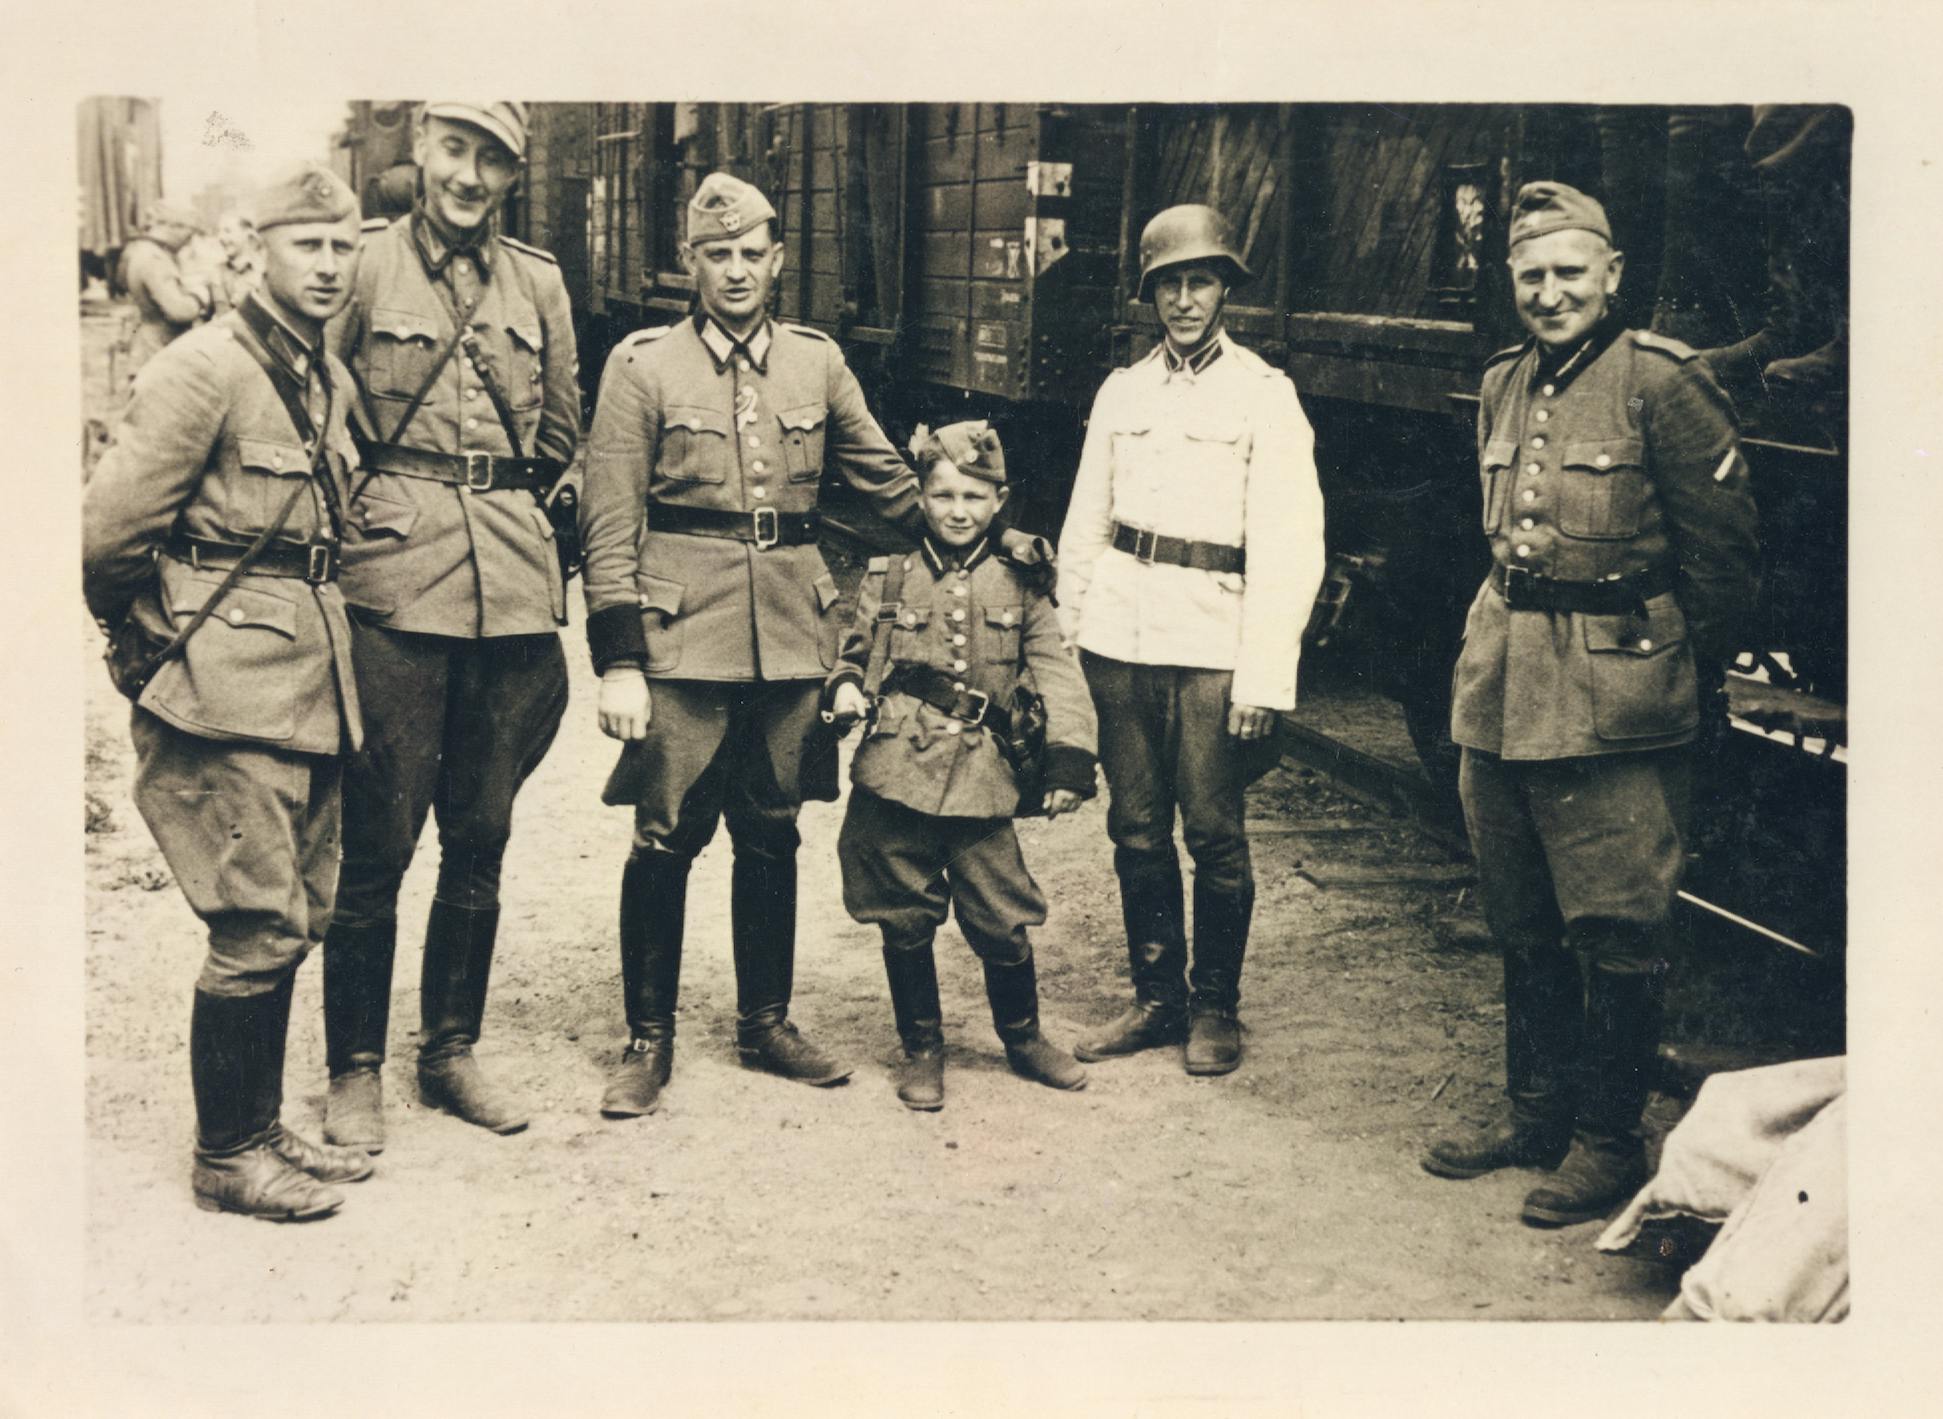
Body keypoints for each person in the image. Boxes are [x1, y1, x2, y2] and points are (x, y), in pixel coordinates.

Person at [580, 172, 1049, 1118]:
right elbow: (608, 519)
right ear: (691, 263)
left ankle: (765, 1022)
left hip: (792, 634)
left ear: (778, 259)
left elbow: (888, 482)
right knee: (665, 835)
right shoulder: (641, 366)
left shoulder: (816, 363)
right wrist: (621, 656)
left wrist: (993, 541)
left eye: (753, 253)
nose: (738, 270)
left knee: (772, 830)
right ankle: (648, 1039)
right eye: (718, 254)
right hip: (681, 638)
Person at [1421, 182, 1760, 1227]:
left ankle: (1605, 1140)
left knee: (1614, 924)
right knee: (1520, 917)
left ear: (1610, 274)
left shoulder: (1662, 383)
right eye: (1531, 276)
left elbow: (1723, 569)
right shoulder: (1501, 382)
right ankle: (1535, 1117)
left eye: (1570, 272)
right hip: (1502, 684)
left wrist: (1662, 679)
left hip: (1616, 696)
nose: (1550, 292)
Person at [83, 162, 372, 1220]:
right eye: (310, 245)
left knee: (291, 913)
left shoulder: (321, 374)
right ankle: (224, 1156)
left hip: (306, 683)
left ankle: (255, 1128)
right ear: (260, 248)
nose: (330, 266)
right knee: (252, 920)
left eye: (344, 247)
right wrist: (148, 650)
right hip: (221, 687)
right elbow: (107, 536)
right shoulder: (203, 368)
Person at [320, 101, 580, 1150]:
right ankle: (353, 1069)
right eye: (457, 151)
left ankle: (450, 1053)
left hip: (510, 599)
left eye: (494, 161)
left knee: (482, 835)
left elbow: (561, 425)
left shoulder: (540, 281)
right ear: (422, 149)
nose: (470, 177)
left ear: (514, 175)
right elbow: (320, 413)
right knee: (377, 845)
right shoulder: (366, 266)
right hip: (393, 589)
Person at [1056, 205, 1325, 1078]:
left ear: (1224, 290)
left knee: (1213, 831)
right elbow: (1085, 525)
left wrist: (1263, 679)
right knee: (1134, 828)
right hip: (1120, 638)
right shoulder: (1121, 391)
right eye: (1168, 282)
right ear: (1149, 293)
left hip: (1213, 643)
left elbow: (1291, 547)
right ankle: (1155, 999)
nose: (1183, 299)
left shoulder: (1263, 396)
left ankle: (1215, 1006)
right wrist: (1069, 641)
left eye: (1199, 280)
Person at [824, 421, 1097, 1110]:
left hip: (983, 773)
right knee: (902, 910)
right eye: (942, 494)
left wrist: (1069, 758)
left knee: (1002, 911)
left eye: (974, 496)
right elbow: (852, 652)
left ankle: (1024, 1036)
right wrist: (847, 685)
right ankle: (922, 1048)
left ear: (998, 500)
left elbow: (1056, 671)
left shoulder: (1021, 581)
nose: (956, 510)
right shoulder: (888, 575)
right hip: (895, 771)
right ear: (919, 495)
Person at [116, 200, 210, 375]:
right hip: (158, 351)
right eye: (188, 235)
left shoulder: (144, 250)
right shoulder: (154, 259)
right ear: (175, 227)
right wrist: (200, 295)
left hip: (151, 348)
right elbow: (180, 312)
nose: (188, 242)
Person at [209, 211, 264, 317]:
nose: (220, 237)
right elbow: (205, 315)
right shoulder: (217, 271)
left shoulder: (263, 271)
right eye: (219, 232)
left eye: (227, 231)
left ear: (248, 234)